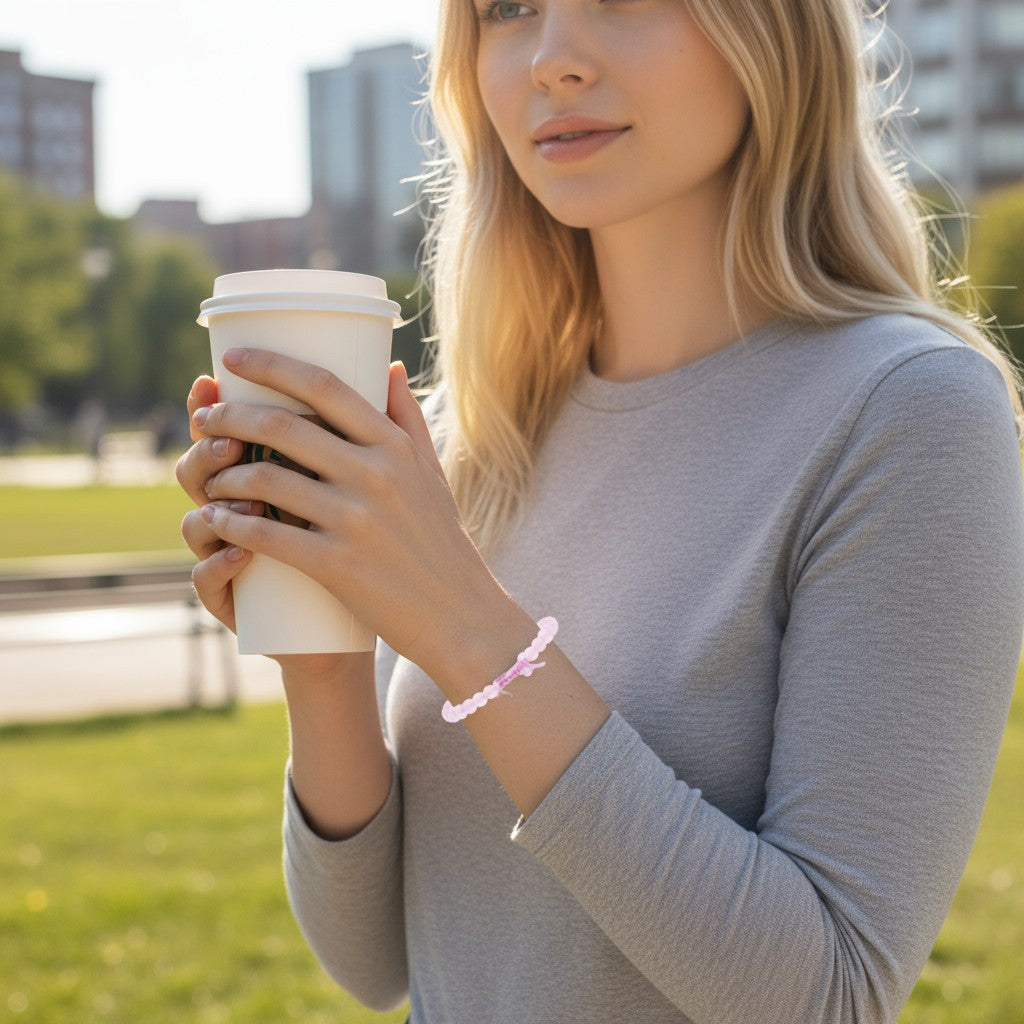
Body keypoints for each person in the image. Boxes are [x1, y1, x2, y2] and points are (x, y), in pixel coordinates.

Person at [176, 1, 1024, 1021]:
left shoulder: (909, 410)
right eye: (507, 9)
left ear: (770, 32)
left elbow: (829, 995)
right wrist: (325, 663)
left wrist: (464, 626)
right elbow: (376, 961)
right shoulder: (468, 434)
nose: (553, 59)